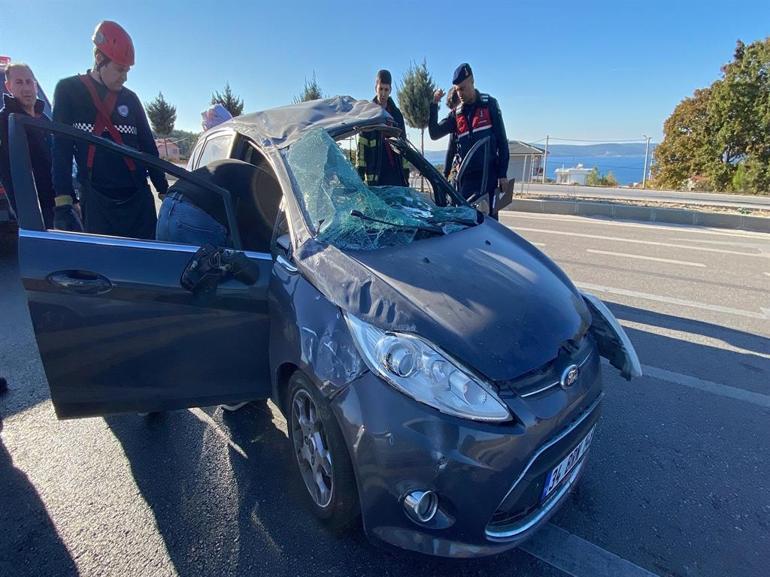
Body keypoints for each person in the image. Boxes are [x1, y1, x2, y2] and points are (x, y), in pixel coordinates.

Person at [51, 20, 168, 238]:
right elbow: (61, 148)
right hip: (97, 201)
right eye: (120, 69)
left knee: (146, 265)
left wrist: (164, 191)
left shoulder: (130, 99)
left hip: (137, 198)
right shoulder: (69, 91)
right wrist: (63, 200)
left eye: (128, 71)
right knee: (105, 267)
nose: (124, 77)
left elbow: (148, 149)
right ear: (99, 59)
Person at [428, 63, 509, 219]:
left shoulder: (489, 104)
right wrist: (434, 104)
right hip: (466, 183)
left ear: (472, 82)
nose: (460, 94)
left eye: (463, 88)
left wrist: (502, 174)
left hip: (488, 180)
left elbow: (502, 141)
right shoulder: (456, 115)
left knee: (490, 226)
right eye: (457, 90)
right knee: (466, 227)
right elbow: (434, 133)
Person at [0, 63, 55, 228]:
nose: (26, 88)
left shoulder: (44, 119)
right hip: (30, 208)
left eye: (29, 82)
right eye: (19, 82)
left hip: (57, 202)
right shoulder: (4, 121)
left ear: (36, 86)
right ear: (8, 87)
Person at [356, 69, 410, 187]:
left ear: (390, 90)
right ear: (376, 88)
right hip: (376, 174)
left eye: (386, 89)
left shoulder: (396, 115)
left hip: (395, 173)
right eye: (381, 89)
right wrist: (360, 172)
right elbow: (362, 145)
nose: (383, 93)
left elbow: (403, 143)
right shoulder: (368, 114)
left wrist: (406, 173)